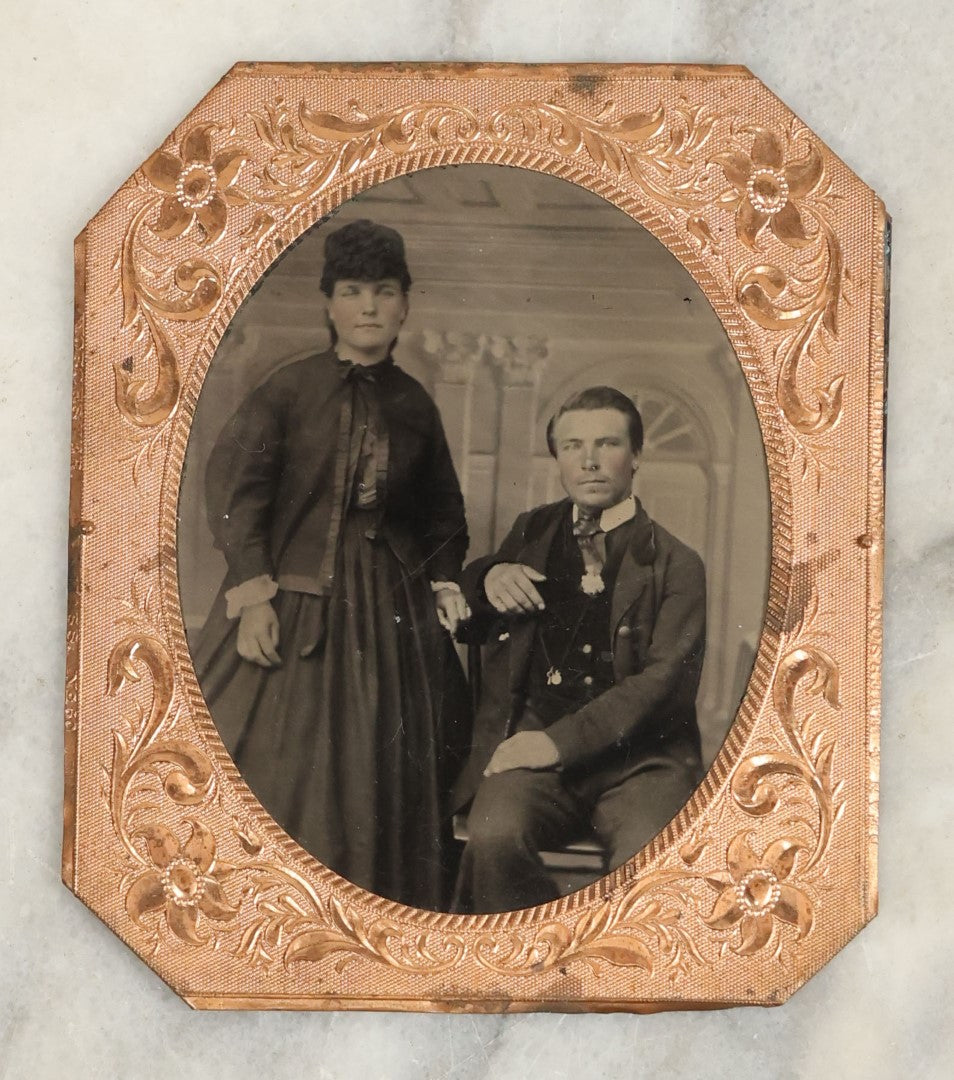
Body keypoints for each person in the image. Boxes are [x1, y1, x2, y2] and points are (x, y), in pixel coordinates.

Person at [191, 219, 471, 910]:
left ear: (405, 304)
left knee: (382, 767)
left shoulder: (416, 406)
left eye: (383, 291)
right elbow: (236, 492)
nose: (368, 307)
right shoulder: (289, 391)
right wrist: (254, 594)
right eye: (352, 291)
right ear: (329, 304)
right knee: (270, 769)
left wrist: (442, 578)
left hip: (390, 613)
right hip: (294, 600)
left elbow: (443, 513)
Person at [452, 386, 706, 913]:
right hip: (538, 762)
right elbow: (476, 600)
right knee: (494, 838)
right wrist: (489, 577)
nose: (588, 461)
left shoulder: (678, 564)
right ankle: (535, 957)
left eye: (607, 444)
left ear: (636, 456)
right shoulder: (533, 529)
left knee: (650, 864)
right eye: (571, 446)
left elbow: (661, 684)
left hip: (641, 765)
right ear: (558, 458)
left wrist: (554, 744)